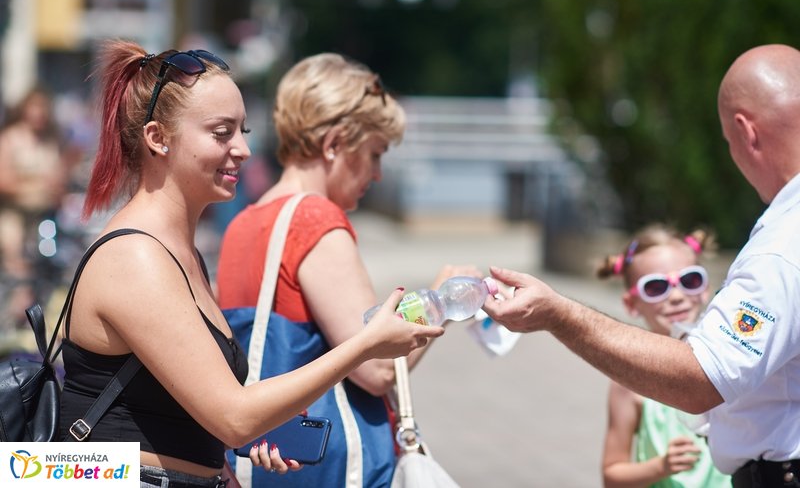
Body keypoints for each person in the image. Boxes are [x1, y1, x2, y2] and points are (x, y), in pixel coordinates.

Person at [56, 40, 443, 488]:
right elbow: (234, 417)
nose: (241, 149)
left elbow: (204, 410)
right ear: (158, 138)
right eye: (222, 133)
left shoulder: (181, 252)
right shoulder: (135, 257)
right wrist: (366, 344)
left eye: (243, 132)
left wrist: (241, 442)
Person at [483, 43, 800, 488]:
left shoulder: (783, 246)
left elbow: (702, 379)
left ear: (747, 133)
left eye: (729, 144)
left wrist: (558, 314)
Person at [216, 52, 482, 488]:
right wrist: (441, 298)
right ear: (335, 143)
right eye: (375, 153)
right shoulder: (315, 220)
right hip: (328, 468)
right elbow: (375, 366)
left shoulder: (245, 220)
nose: (377, 174)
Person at [597, 224, 729, 487]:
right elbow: (612, 475)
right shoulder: (629, 378)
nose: (677, 296)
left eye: (689, 280)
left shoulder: (730, 358)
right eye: (657, 287)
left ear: (706, 288)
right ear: (631, 304)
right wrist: (661, 466)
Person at [0, 86, 73, 325]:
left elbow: (60, 179)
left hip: (45, 216)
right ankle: (16, 316)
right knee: (16, 260)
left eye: (42, 108)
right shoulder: (11, 138)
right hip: (16, 215)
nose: (39, 114)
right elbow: (4, 181)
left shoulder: (50, 140)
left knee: (50, 265)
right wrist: (37, 185)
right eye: (34, 108)